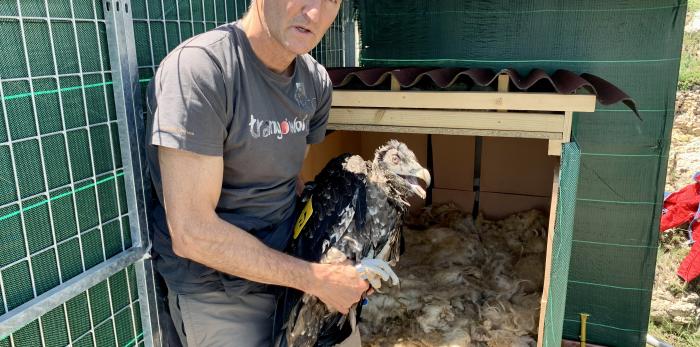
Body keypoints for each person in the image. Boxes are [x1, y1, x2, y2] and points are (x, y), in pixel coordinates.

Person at [144, 0, 368, 346]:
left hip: (292, 269)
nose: (315, 13)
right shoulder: (202, 70)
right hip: (217, 290)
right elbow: (191, 233)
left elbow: (289, 181)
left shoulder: (315, 83)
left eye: (332, 1)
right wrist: (314, 278)